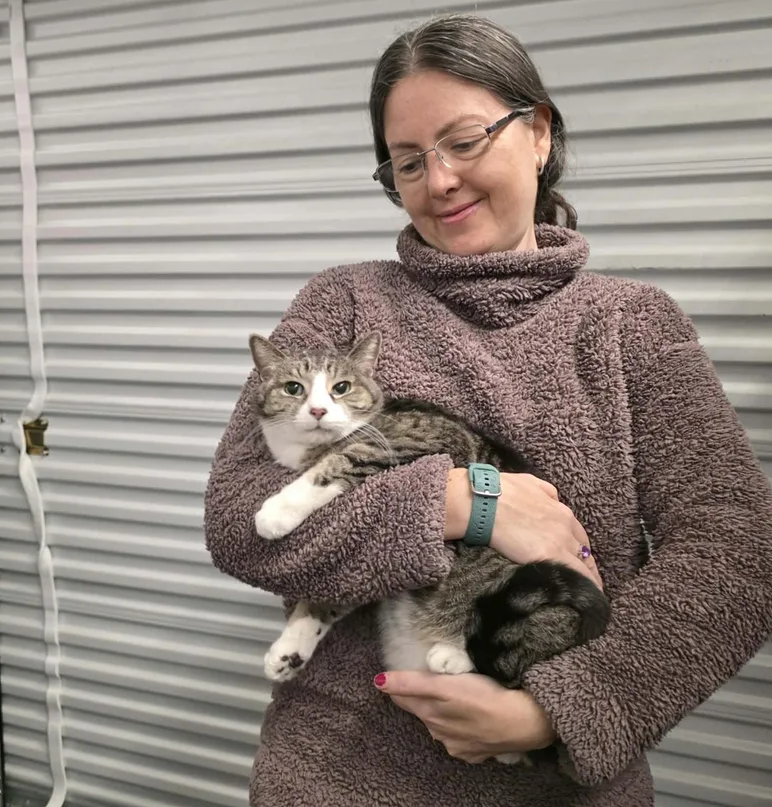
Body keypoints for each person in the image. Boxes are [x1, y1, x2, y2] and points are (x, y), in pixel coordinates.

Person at [204, 13, 772, 807]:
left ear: (538, 133)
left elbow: (738, 547)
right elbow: (239, 519)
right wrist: (460, 502)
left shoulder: (631, 325)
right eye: (407, 162)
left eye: (464, 140)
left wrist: (560, 708)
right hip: (335, 776)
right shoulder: (343, 303)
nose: (438, 181)